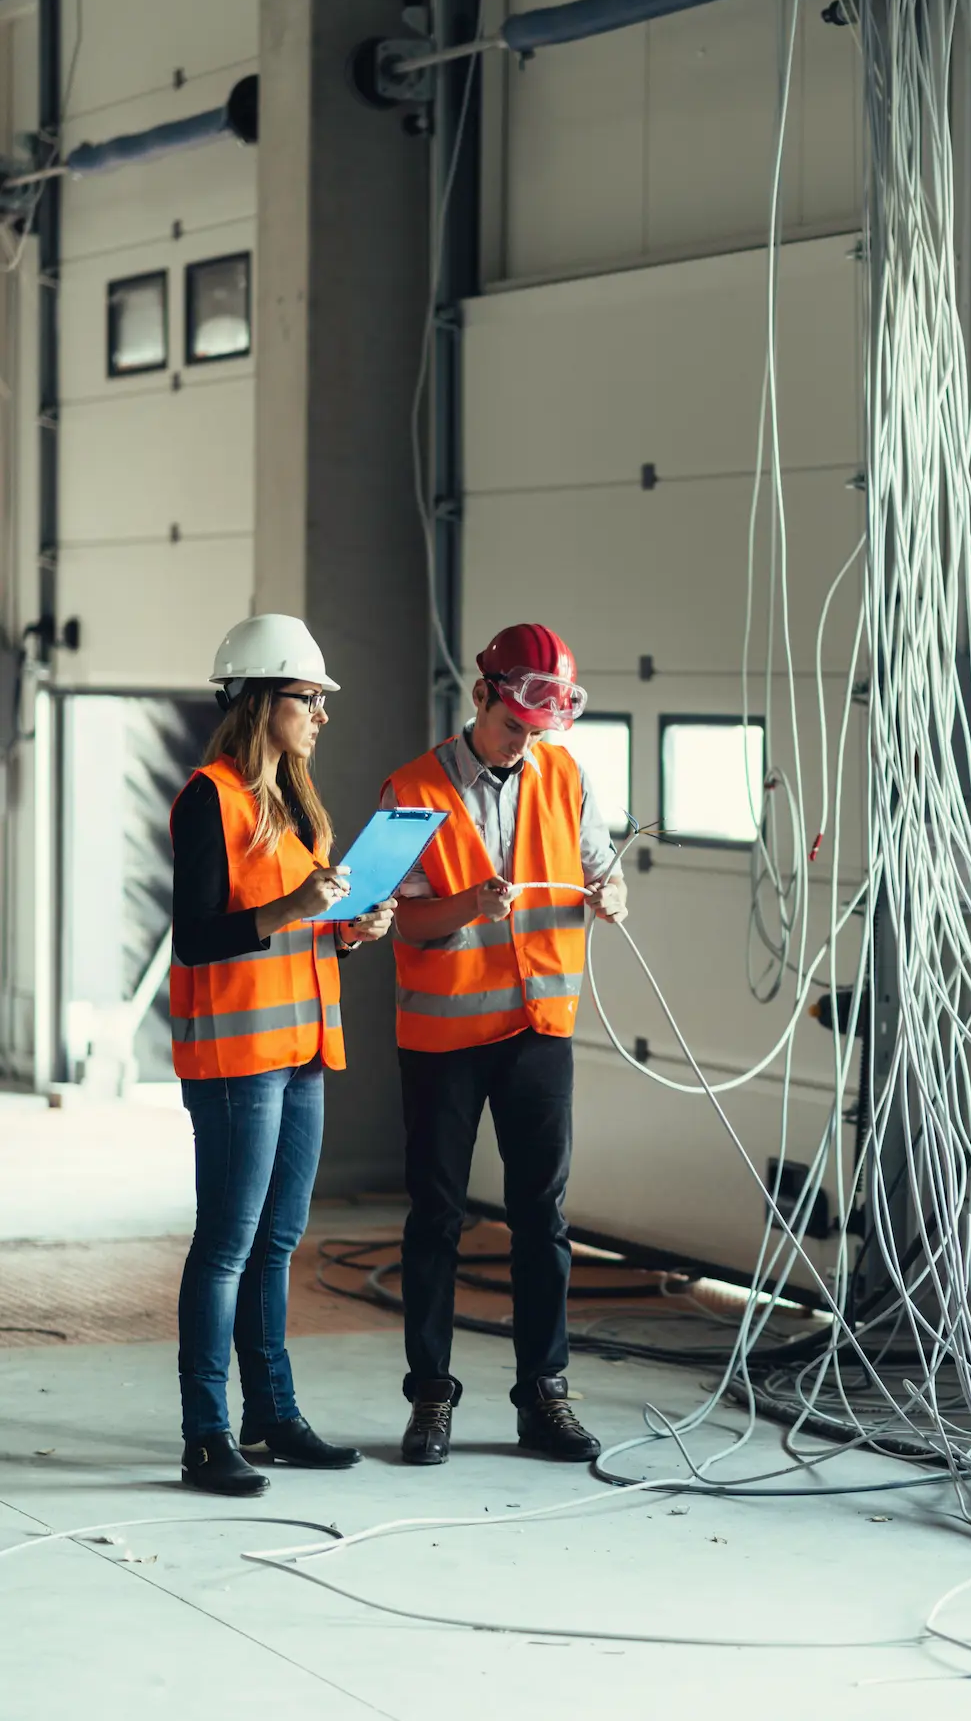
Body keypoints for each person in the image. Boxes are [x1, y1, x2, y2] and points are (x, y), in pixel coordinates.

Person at [381, 624, 628, 1466]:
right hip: (444, 1038)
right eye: (514, 725)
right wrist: (465, 908)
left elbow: (598, 865)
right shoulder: (413, 789)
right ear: (481, 696)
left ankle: (543, 1399)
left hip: (537, 1034)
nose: (526, 741)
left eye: (539, 728)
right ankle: (429, 1399)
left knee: (541, 1220)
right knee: (437, 1220)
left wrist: (611, 890)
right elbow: (395, 919)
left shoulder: (564, 774)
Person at [170, 614, 395, 1496]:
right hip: (235, 1064)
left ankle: (272, 1417)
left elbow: (296, 930)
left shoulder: (298, 804)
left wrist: (348, 931)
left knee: (276, 1244)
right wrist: (296, 906)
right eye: (309, 698)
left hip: (300, 1050)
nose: (321, 715)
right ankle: (204, 1435)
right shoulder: (208, 798)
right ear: (261, 700)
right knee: (226, 1246)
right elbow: (196, 939)